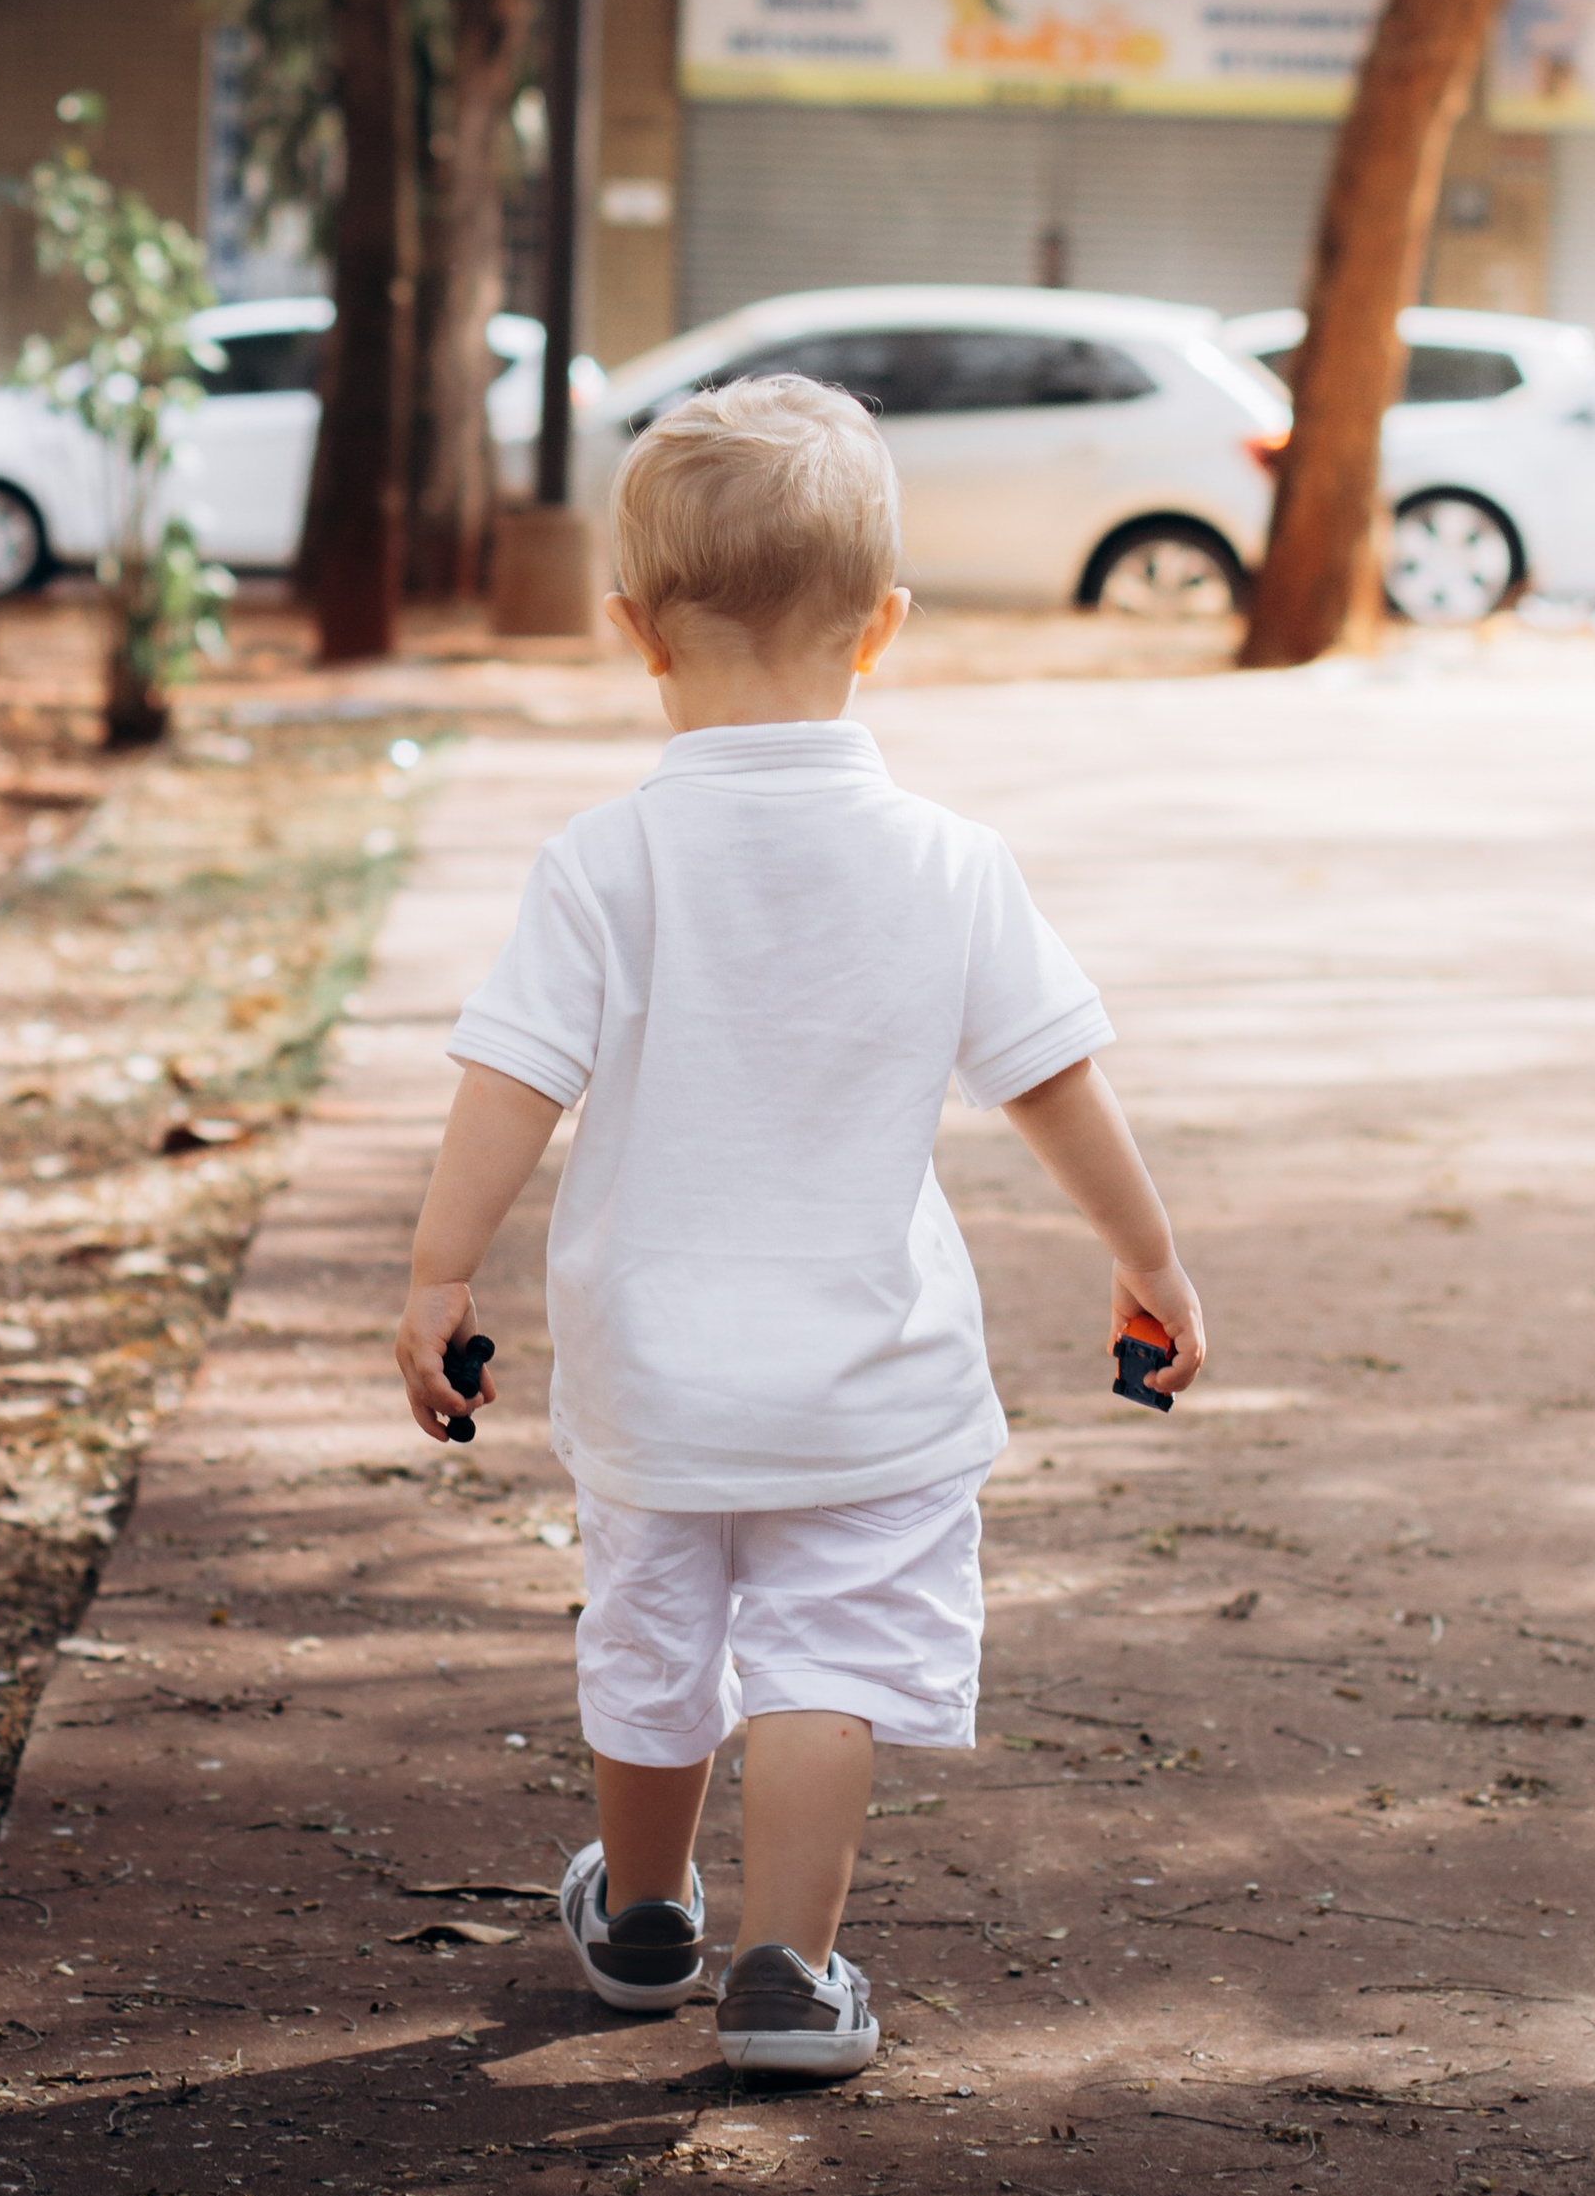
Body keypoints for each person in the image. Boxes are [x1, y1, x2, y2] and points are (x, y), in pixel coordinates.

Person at [392, 375, 1205, 2080]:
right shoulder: (948, 861)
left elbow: (511, 1082)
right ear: (885, 627)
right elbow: (1053, 1080)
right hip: (867, 1374)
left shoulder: (606, 862)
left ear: (636, 633)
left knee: (655, 1637)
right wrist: (1147, 1255)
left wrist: (436, 1270)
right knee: (828, 1654)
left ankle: (647, 1914)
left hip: (654, 1371)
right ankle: (786, 1969)